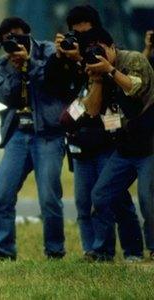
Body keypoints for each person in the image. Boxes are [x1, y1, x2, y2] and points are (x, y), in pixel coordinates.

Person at [47, 7, 144, 260]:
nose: (81, 41)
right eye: (75, 35)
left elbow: (131, 90)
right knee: (84, 203)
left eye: (86, 34)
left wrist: (92, 62)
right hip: (81, 138)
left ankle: (131, 251)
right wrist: (63, 58)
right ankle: (95, 251)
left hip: (111, 139)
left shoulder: (115, 57)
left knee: (115, 200)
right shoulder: (69, 59)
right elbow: (57, 89)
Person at [0, 17, 67, 260]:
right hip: (18, 132)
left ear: (27, 34)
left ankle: (55, 250)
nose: (13, 41)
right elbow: (3, 96)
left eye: (17, 35)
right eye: (7, 38)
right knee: (3, 192)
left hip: (48, 133)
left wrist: (29, 63)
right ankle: (4, 248)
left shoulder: (49, 51)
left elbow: (53, 83)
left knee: (49, 196)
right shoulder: (3, 61)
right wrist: (14, 67)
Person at [82, 28, 154, 261]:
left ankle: (152, 249)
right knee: (101, 195)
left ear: (112, 46)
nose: (97, 55)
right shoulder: (96, 71)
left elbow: (135, 87)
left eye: (100, 49)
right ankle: (102, 251)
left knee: (147, 198)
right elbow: (92, 110)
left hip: (149, 146)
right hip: (124, 148)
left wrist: (110, 71)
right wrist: (97, 80)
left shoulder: (133, 59)